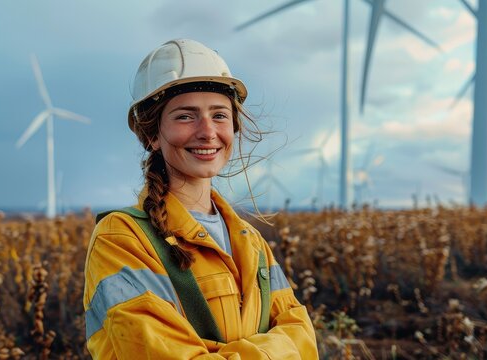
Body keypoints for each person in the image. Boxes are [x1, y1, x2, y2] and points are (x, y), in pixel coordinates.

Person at [83, 39, 318, 359]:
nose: (207, 131)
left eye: (219, 115)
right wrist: (274, 350)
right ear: (152, 135)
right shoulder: (122, 239)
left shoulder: (252, 242)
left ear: (233, 128)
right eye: (185, 116)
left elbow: (304, 337)